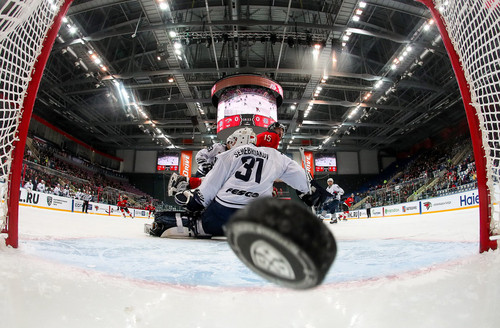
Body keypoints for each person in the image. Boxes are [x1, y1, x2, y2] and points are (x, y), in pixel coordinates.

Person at [147, 127, 311, 238]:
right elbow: (304, 183)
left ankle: (190, 225)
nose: (229, 144)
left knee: (200, 219)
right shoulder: (278, 157)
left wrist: (194, 200)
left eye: (232, 141)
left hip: (223, 213)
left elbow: (208, 190)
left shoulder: (231, 153)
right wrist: (309, 192)